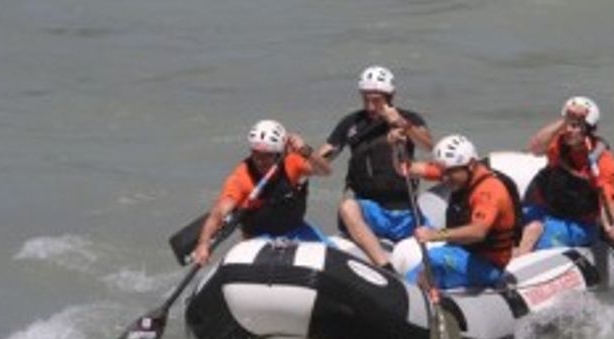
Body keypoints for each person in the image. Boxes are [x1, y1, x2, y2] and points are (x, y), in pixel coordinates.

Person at [317, 65, 433, 271]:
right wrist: (303, 155)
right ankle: (386, 267)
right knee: (347, 207)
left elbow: (428, 146)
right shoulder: (351, 123)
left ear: (391, 96)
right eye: (366, 99)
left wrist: (402, 124)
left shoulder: (410, 119)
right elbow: (325, 156)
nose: (371, 106)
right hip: (370, 209)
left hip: (405, 210)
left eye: (377, 100)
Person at [192, 119, 332, 265]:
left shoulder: (291, 162)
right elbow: (219, 212)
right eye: (256, 154)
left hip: (297, 231)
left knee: (332, 260)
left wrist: (305, 149)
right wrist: (203, 244)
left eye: (266, 155)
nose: (260, 161)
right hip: (258, 239)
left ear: (278, 154)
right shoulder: (241, 177)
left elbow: (326, 171)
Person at [403, 135, 521, 290]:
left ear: (471, 164)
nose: (444, 178)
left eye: (449, 173)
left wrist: (435, 234)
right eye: (442, 172)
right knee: (415, 271)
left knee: (434, 258)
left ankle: (422, 297)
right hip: (462, 253)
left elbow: (478, 232)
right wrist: (396, 146)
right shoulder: (456, 172)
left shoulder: (489, 190)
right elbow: (406, 169)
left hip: (487, 266)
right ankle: (408, 293)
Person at [515, 96, 614, 256]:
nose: (568, 130)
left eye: (575, 126)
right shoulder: (558, 143)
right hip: (546, 208)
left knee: (534, 232)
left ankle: (517, 267)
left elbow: (607, 198)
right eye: (567, 125)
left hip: (579, 222)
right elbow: (535, 148)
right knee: (523, 228)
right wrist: (566, 119)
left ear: (588, 129)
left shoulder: (603, 161)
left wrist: (611, 226)